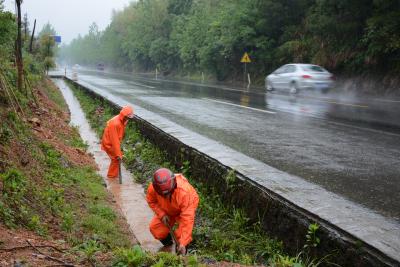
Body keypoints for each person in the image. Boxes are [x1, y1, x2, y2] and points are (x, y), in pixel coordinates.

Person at [146, 168, 199, 255]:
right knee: (155, 229)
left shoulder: (184, 193)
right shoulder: (153, 188)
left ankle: (182, 250)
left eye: (168, 193)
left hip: (186, 205)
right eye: (164, 195)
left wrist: (183, 243)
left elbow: (187, 219)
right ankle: (169, 245)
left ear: (173, 185)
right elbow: (151, 201)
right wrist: (162, 214)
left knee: (181, 236)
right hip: (168, 209)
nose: (167, 196)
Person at [101, 105, 134, 178]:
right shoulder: (115, 123)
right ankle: (111, 177)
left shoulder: (122, 120)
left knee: (117, 157)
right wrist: (118, 154)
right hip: (109, 143)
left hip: (113, 141)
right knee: (116, 158)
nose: (128, 119)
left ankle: (114, 174)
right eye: (127, 117)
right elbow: (114, 140)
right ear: (124, 115)